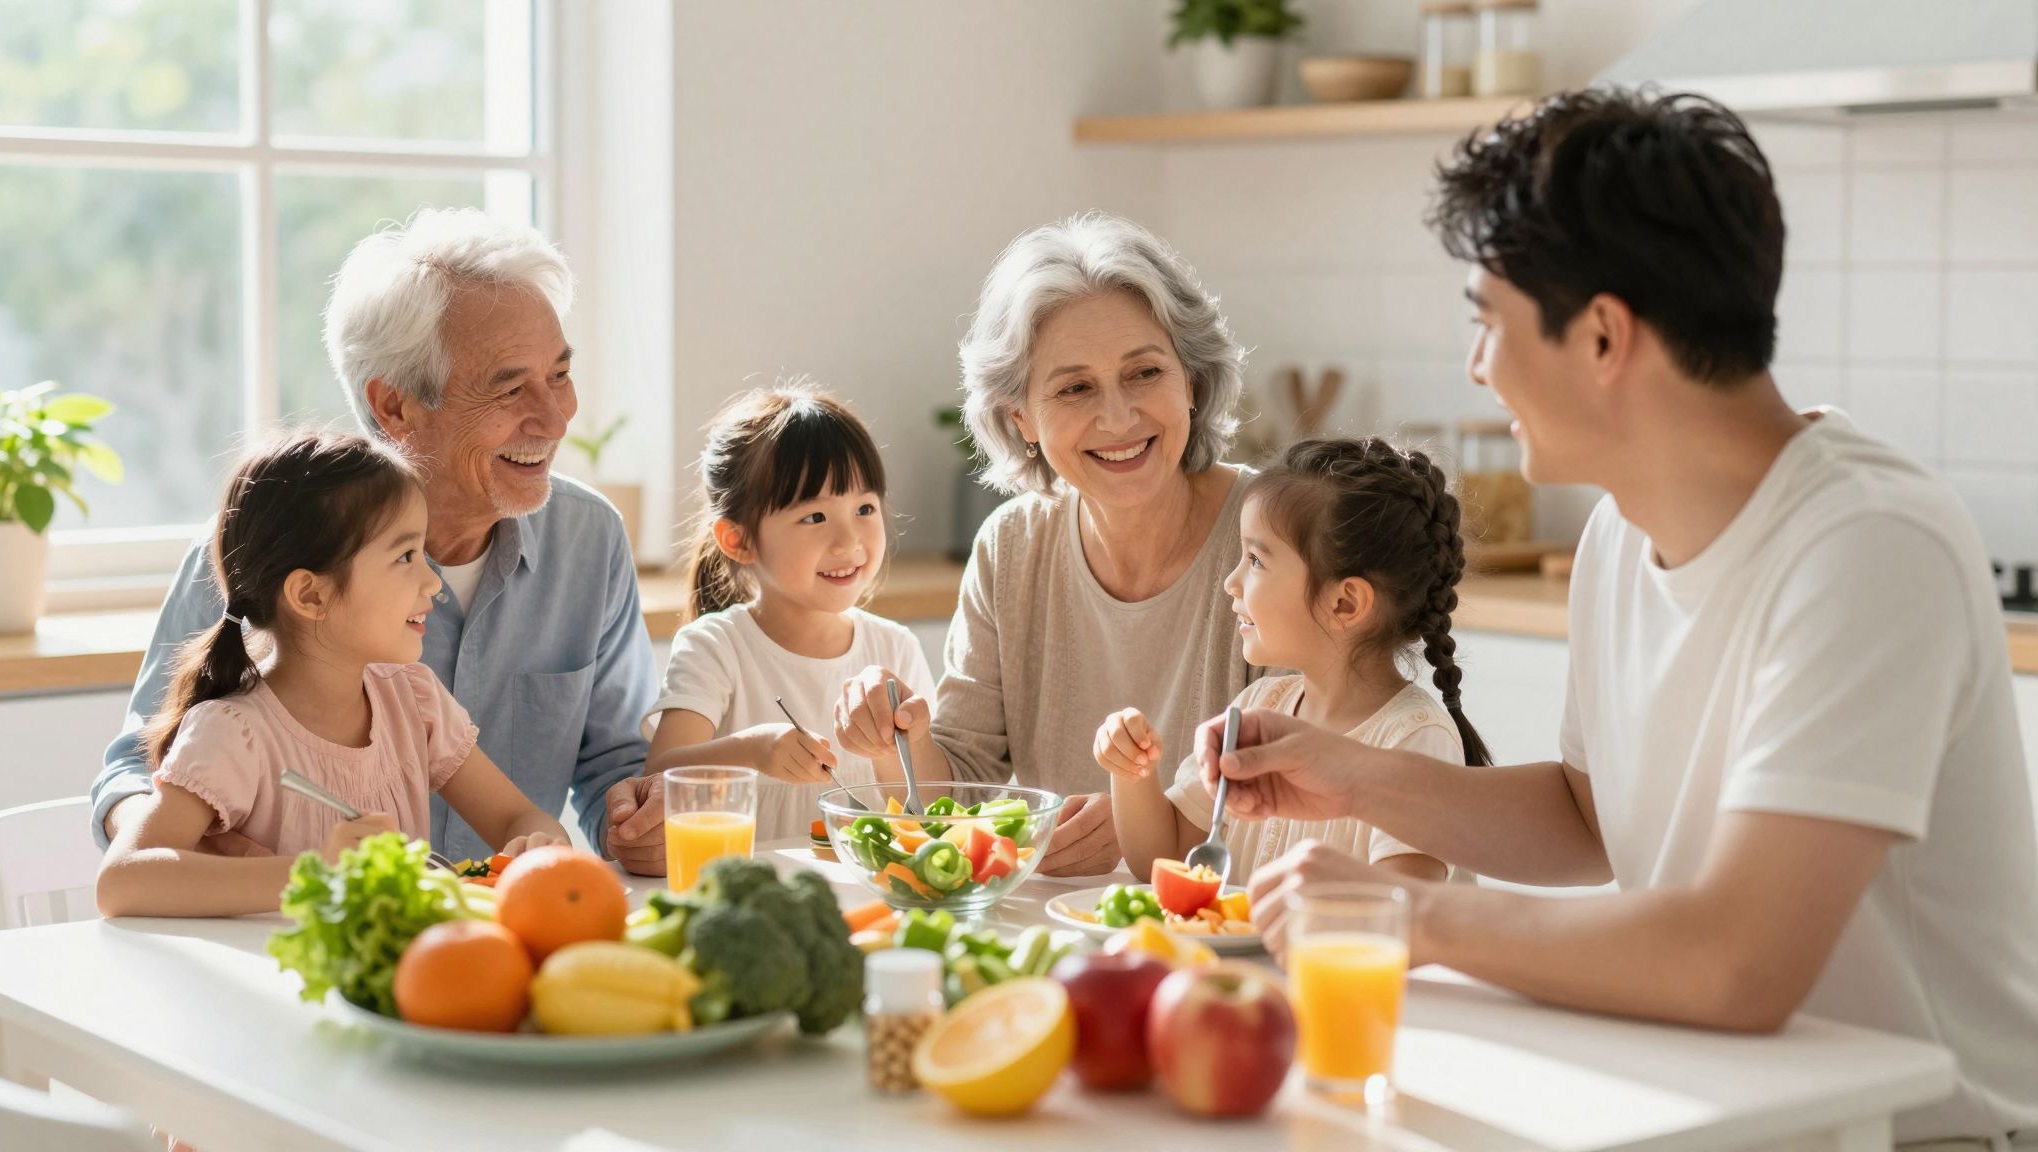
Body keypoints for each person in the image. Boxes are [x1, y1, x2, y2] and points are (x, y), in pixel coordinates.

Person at [1196, 89, 2038, 1145]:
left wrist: (1399, 914)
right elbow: (1591, 823)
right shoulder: (1614, 535)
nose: (1475, 367)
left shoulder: (1864, 545)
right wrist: (1348, 771)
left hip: (1917, 1134)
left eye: (1485, 323)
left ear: (1600, 336)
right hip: (1722, 1102)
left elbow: (1737, 962)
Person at [92, 207, 660, 869]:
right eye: (511, 388)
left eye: (559, 375)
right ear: (394, 406)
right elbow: (137, 771)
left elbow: (613, 760)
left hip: (487, 936)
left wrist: (636, 820)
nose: (556, 416)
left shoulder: (589, 540)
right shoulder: (269, 547)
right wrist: (197, 849)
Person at [831, 212, 1257, 876]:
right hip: (1066, 931)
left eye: (1145, 373)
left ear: (1192, 382)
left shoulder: (1277, 537)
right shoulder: (1012, 549)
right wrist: (897, 740)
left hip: (1253, 933)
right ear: (1021, 417)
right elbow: (957, 790)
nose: (1118, 417)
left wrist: (1146, 826)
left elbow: (1326, 785)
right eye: (1075, 388)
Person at [94, 434, 566, 918]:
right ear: (310, 595)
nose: (432, 581)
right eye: (405, 557)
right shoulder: (232, 733)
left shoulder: (414, 699)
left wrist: (539, 846)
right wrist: (319, 871)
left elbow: (515, 816)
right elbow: (122, 880)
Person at [1098, 438, 1481, 886]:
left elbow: (1406, 912)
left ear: (1344, 603)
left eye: (1256, 560)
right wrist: (1132, 771)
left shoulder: (1415, 738)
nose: (1230, 582)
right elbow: (1163, 858)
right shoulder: (1262, 707)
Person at [608, 385, 933, 846]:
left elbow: (934, 808)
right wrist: (752, 751)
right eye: (814, 517)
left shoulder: (895, 648)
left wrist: (891, 748)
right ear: (738, 540)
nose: (849, 541)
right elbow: (660, 776)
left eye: (864, 508)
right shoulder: (716, 646)